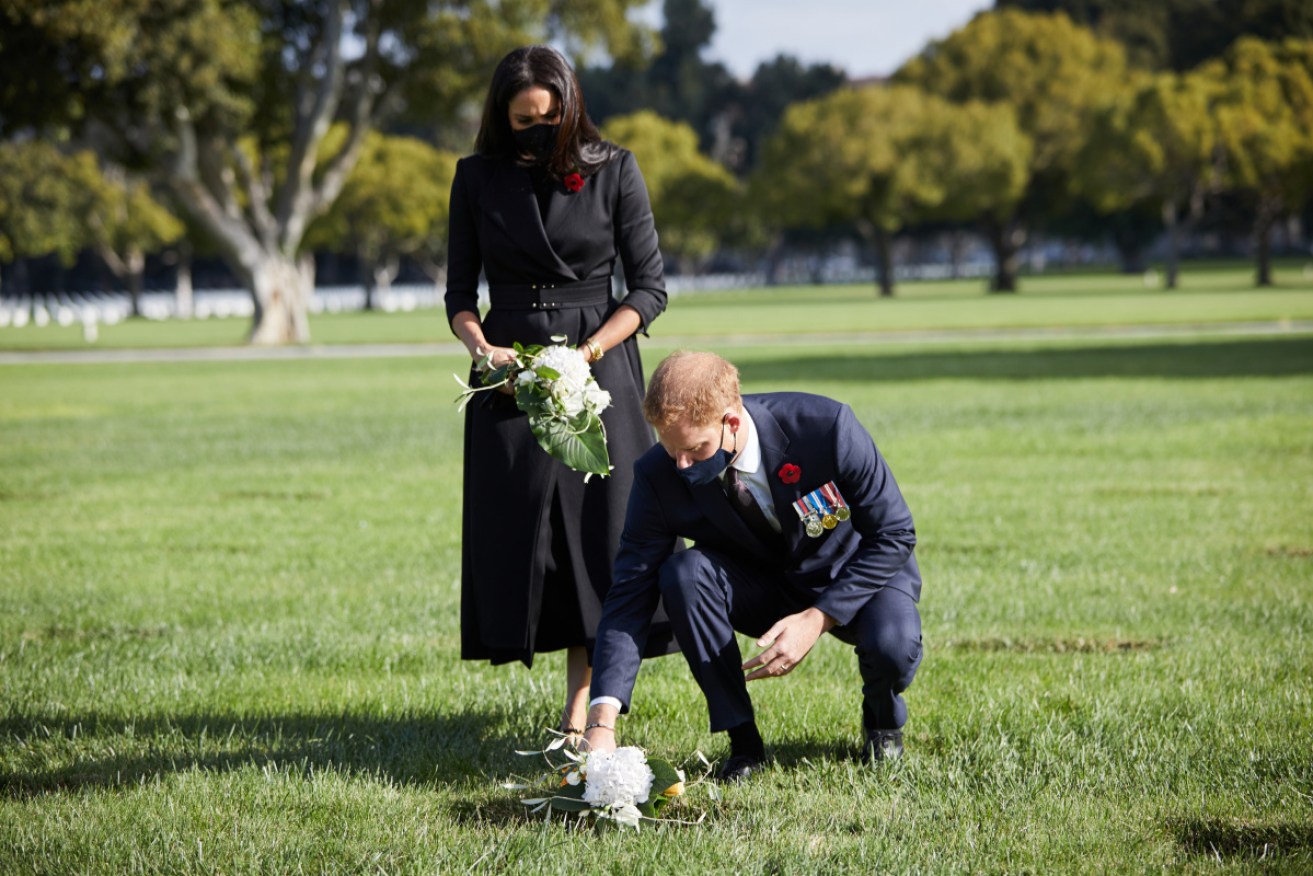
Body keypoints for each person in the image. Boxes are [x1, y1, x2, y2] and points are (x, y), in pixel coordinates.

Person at [445, 45, 677, 736]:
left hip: (597, 360)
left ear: (569, 108)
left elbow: (648, 288)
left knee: (595, 535)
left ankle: (584, 705)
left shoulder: (615, 170)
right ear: (501, 116)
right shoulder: (475, 178)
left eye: (550, 117)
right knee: (524, 534)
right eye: (523, 120)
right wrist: (480, 347)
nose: (538, 129)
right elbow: (460, 293)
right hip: (508, 366)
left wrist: (589, 353)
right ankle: (546, 664)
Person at [581, 351, 923, 780]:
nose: (680, 466)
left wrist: (817, 619)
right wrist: (601, 722)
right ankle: (743, 743)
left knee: (893, 646)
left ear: (733, 423)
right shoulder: (658, 475)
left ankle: (882, 721)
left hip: (854, 573)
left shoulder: (827, 428)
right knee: (683, 575)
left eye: (693, 449)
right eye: (670, 451)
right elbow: (630, 590)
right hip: (761, 585)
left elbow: (894, 535)